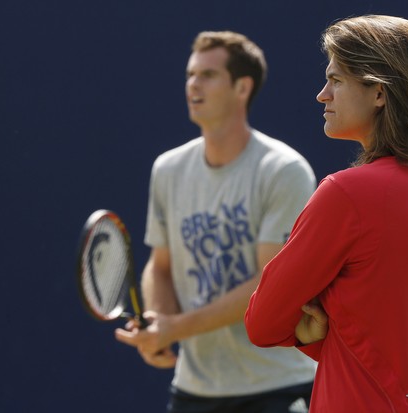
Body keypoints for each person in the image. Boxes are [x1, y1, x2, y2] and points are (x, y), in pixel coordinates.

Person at [245, 15, 408, 413]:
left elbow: (263, 322)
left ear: (379, 93)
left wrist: (314, 334)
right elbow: (397, 344)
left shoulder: (345, 194)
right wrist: (329, 335)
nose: (323, 95)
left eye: (336, 80)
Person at [115, 30, 317, 413]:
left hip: (276, 385)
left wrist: (176, 327)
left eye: (208, 75)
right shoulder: (167, 170)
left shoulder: (284, 170)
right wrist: (159, 325)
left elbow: (270, 283)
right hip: (195, 391)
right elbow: (161, 267)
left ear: (242, 88)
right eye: (190, 74)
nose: (193, 83)